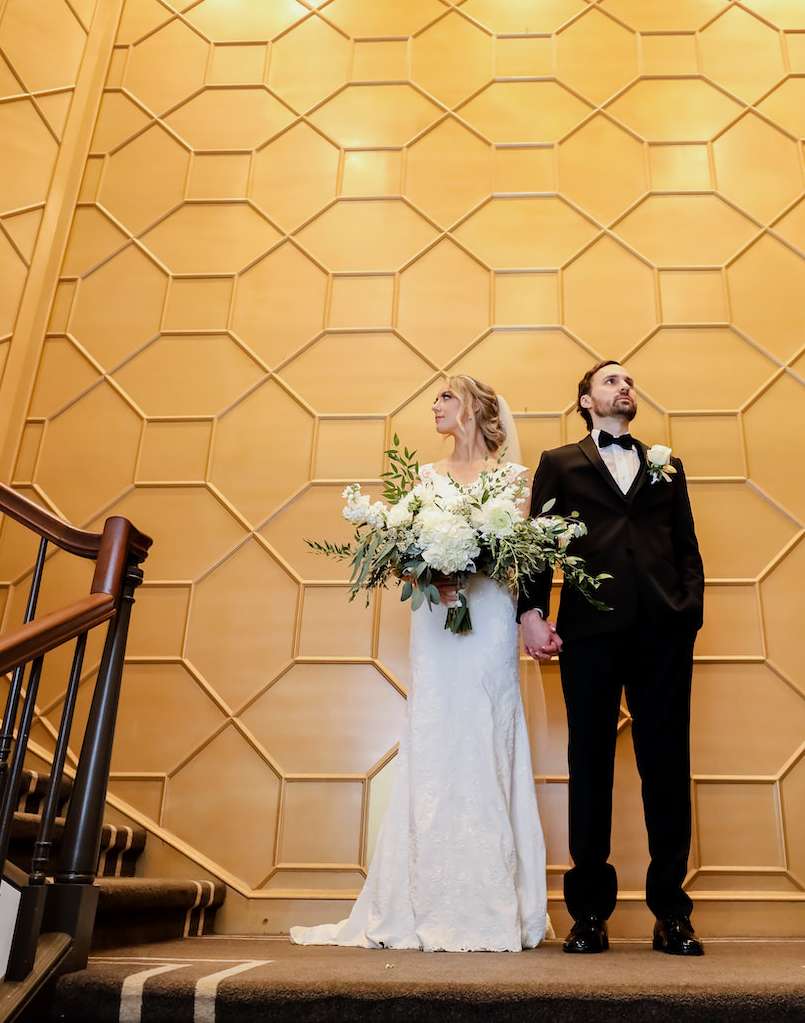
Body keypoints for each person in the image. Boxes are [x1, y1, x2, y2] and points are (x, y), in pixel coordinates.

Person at [290, 374, 548, 952]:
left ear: (477, 410)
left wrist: (471, 568)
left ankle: (493, 903)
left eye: (446, 397)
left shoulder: (513, 480)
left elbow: (519, 559)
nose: (434, 406)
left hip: (487, 623)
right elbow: (401, 554)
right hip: (436, 624)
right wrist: (432, 570)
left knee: (485, 735)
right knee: (433, 737)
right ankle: (420, 897)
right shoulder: (424, 479)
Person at [517, 359, 705, 956]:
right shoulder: (559, 463)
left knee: (667, 765)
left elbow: (686, 544)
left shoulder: (666, 465)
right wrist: (530, 612)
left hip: (663, 630)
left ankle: (672, 913)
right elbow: (538, 543)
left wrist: (688, 610)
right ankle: (589, 915)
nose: (625, 387)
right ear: (585, 400)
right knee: (590, 764)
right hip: (589, 631)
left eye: (629, 381)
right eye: (611, 381)